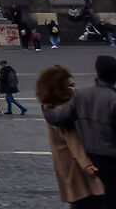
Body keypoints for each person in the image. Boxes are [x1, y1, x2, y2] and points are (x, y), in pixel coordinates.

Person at [38, 66, 108, 209]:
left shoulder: (51, 108)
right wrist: (87, 164)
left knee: (81, 200)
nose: (74, 89)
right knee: (91, 199)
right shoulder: (64, 111)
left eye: (73, 85)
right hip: (77, 166)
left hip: (68, 165)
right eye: (70, 86)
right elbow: (73, 139)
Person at [47, 54, 116, 189]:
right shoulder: (113, 99)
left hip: (91, 157)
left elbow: (59, 118)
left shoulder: (81, 95)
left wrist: (47, 108)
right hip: (111, 158)